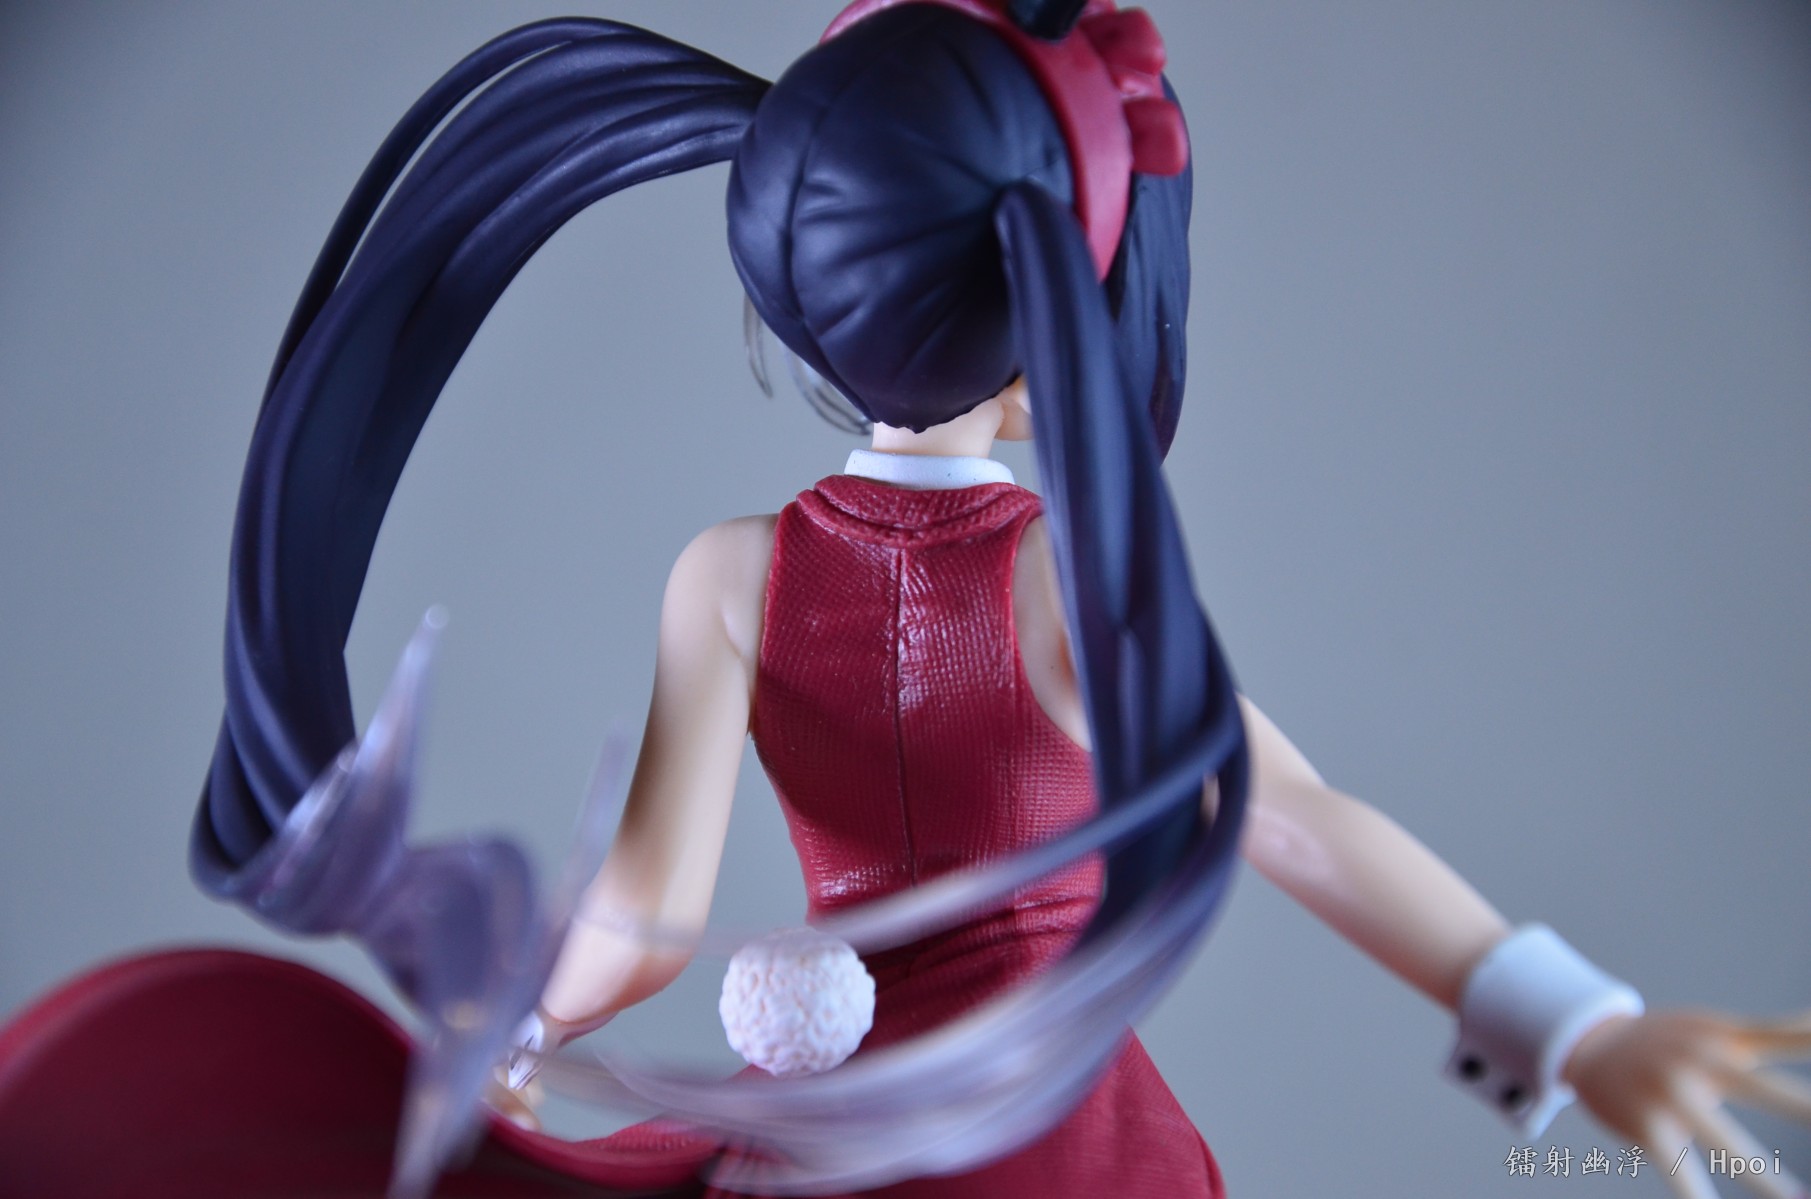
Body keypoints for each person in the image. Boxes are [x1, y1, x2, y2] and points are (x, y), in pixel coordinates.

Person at [1, 4, 1803, 1198]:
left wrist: (522, 1033)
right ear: (1057, 333)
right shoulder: (1069, 583)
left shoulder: (734, 575)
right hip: (1053, 1144)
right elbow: (1295, 818)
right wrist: (1572, 1020)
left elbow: (645, 916)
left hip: (836, 1141)